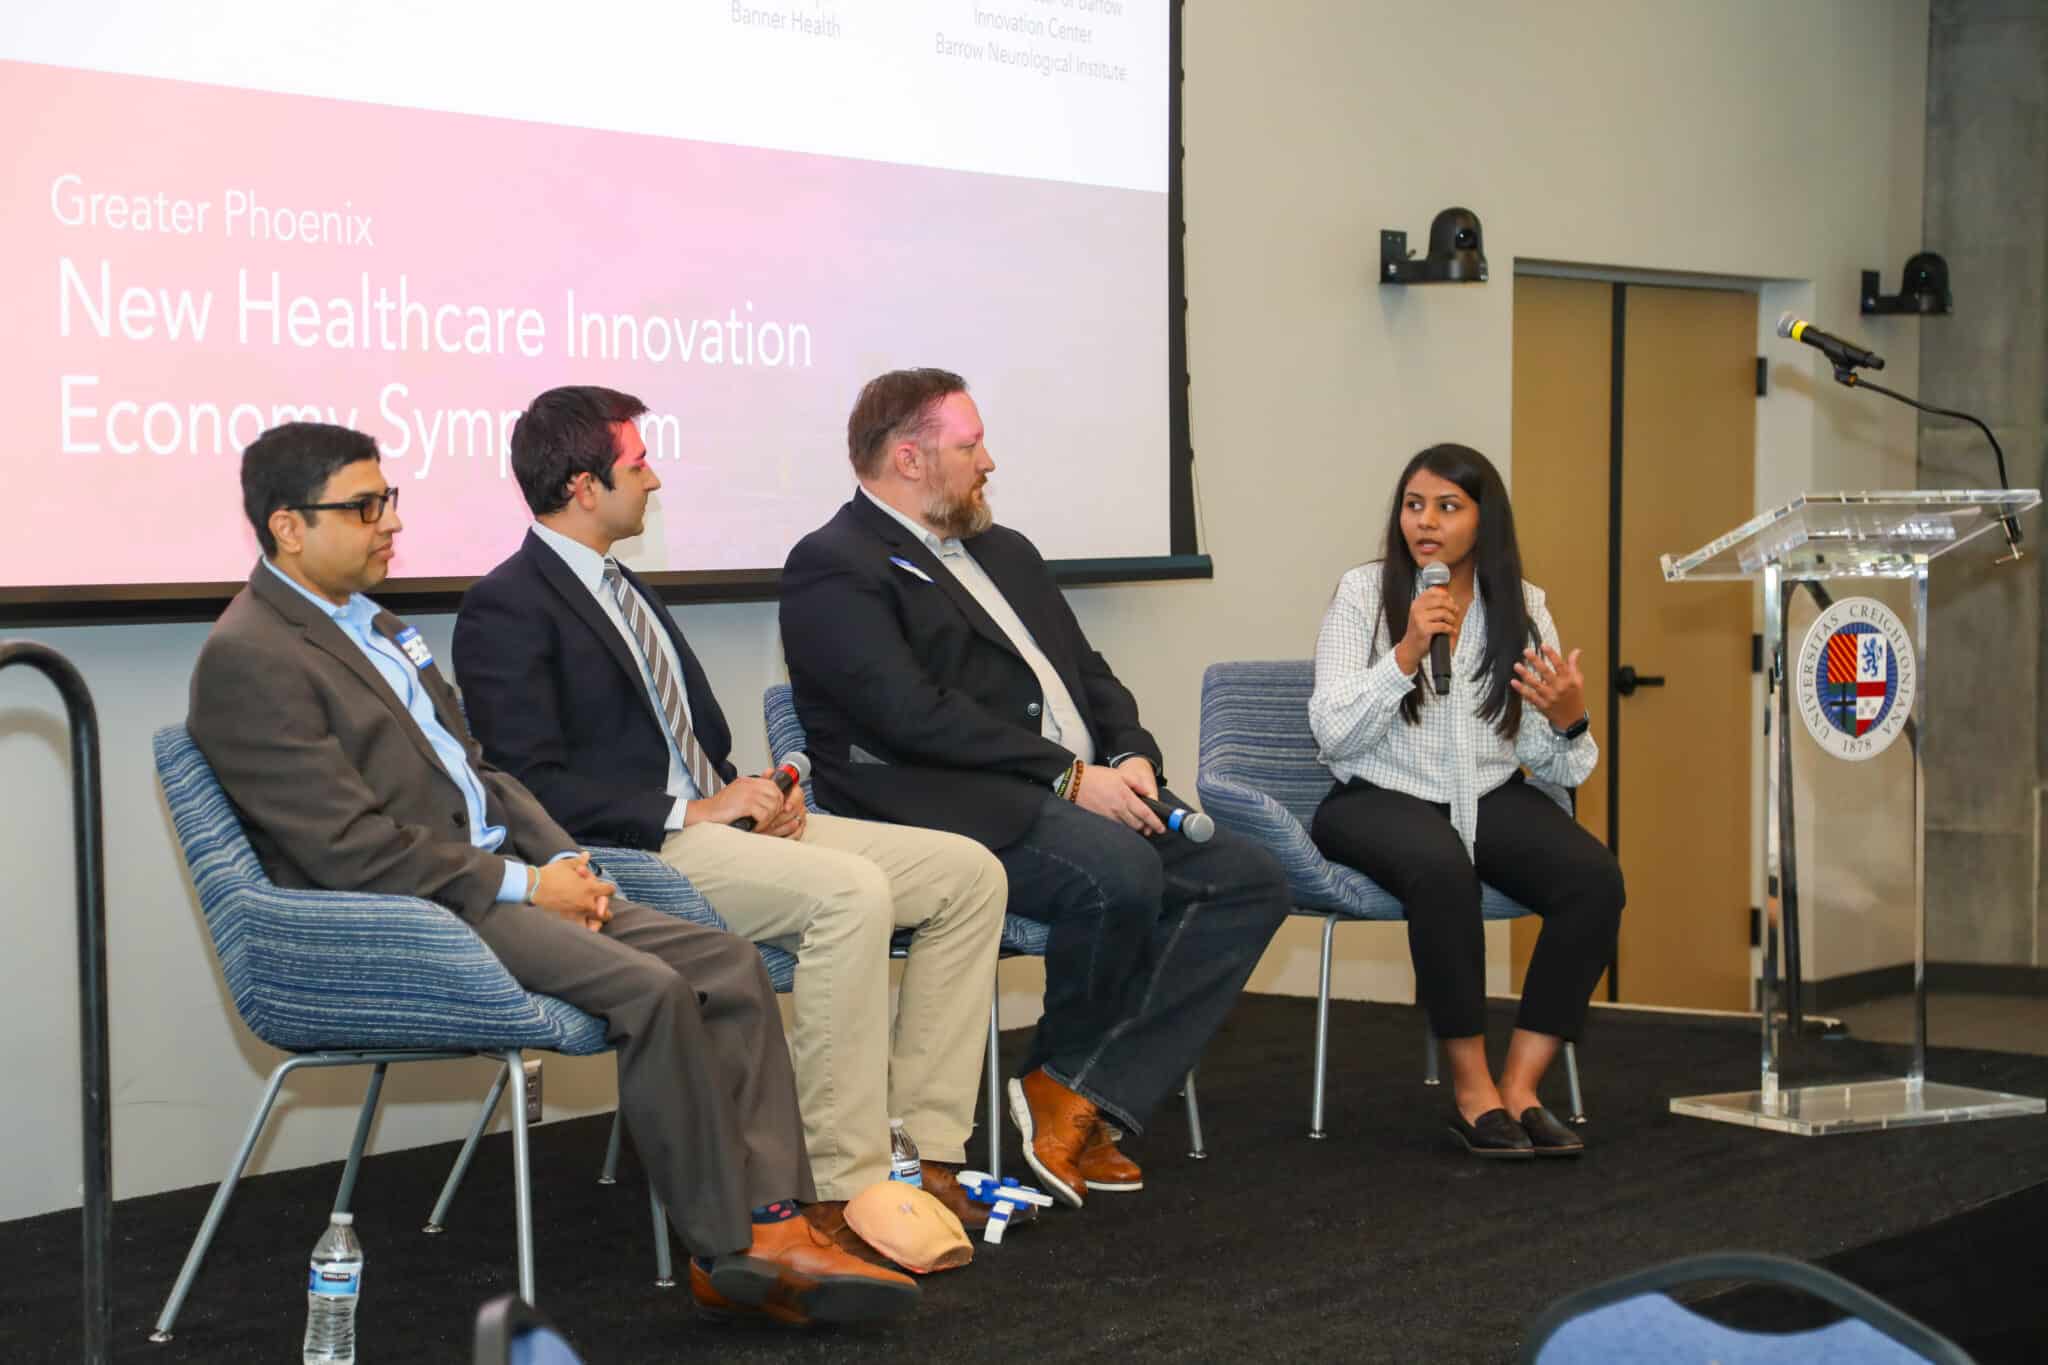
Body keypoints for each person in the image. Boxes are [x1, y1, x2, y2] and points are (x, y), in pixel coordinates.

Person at [188, 421, 918, 1326]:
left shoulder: (376, 624)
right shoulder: (248, 656)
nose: (389, 524)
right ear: (287, 527)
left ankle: (775, 1217)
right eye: (364, 506)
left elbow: (485, 771)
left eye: (391, 501)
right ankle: (728, 1251)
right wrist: (531, 887)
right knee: (652, 990)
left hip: (503, 880)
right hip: (420, 908)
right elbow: (350, 850)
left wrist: (561, 854)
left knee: (726, 965)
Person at [451, 386, 1009, 1249]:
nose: (657, 479)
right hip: (644, 847)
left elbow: (685, 742)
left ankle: (925, 1151)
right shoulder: (506, 606)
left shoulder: (624, 588)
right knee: (850, 894)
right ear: (582, 485)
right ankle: (843, 1181)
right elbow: (524, 785)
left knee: (969, 874)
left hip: (717, 827)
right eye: (638, 463)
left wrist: (754, 795)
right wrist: (693, 806)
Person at [778, 368, 1290, 1208]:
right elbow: (910, 717)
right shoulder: (834, 564)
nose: (990, 460)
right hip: (957, 807)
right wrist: (1065, 774)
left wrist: (1130, 754)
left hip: (1083, 789)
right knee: (1116, 875)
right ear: (909, 457)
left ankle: (1078, 1085)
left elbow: (1087, 674)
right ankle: (1072, 1089)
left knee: (1247, 880)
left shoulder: (1005, 549)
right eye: (970, 444)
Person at [1306, 442, 1624, 1158]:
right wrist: (1406, 654)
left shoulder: (1523, 604)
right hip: (1375, 793)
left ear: (1485, 521)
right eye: (1415, 505)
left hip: (1487, 792)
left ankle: (1522, 1087)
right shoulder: (1363, 593)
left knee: (1594, 879)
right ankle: (1473, 1091)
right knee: (1442, 868)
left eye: (1448, 506)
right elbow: (1330, 730)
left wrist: (1570, 717)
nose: (1426, 521)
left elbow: (1550, 760)